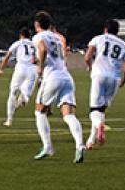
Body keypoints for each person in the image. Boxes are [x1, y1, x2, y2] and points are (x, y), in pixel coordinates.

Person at [31, 11, 86, 163]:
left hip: (52, 77)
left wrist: (40, 66)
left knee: (39, 112)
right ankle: (80, 145)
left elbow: (43, 49)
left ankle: (48, 146)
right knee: (69, 115)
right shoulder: (57, 37)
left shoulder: (38, 37)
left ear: (37, 25)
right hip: (66, 77)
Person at [83, 20, 125, 150]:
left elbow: (87, 57)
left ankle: (99, 126)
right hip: (114, 78)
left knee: (94, 111)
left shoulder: (98, 38)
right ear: (117, 31)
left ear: (105, 29)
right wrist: (124, 80)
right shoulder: (124, 45)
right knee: (101, 110)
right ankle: (90, 140)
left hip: (99, 75)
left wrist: (90, 66)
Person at [0, 28, 37, 127]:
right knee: (27, 93)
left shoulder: (18, 43)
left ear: (21, 35)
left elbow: (7, 56)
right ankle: (24, 96)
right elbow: (39, 58)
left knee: (12, 93)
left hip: (20, 68)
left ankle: (9, 120)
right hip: (32, 69)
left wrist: (1, 69)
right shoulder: (34, 44)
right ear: (30, 36)